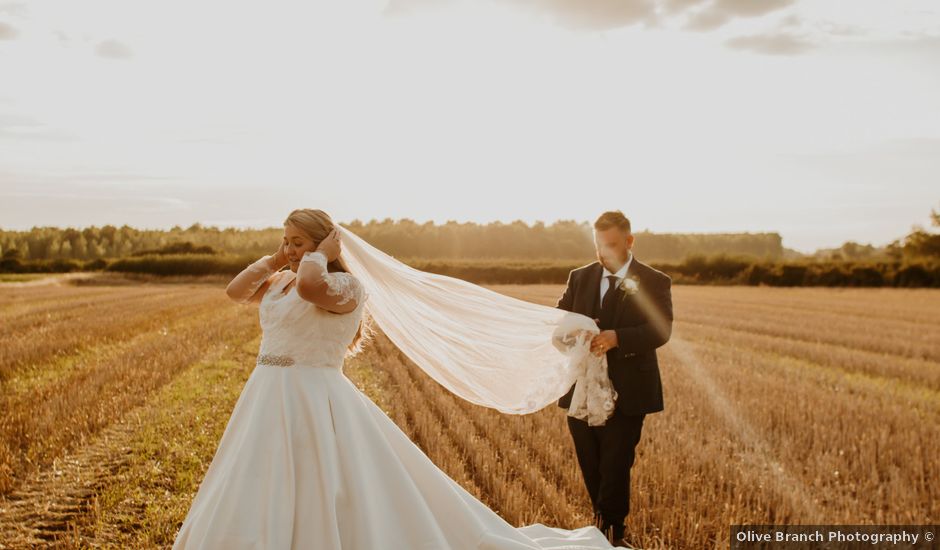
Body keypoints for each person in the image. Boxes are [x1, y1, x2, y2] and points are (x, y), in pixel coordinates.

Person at [172, 208, 629, 549]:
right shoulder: (283, 282)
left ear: (325, 246)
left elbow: (314, 287)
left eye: (298, 241)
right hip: (266, 395)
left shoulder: (345, 289)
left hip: (314, 396)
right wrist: (276, 260)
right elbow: (236, 292)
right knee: (256, 477)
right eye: (286, 240)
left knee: (319, 481)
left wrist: (319, 257)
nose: (291, 249)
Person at [555, 210, 673, 547]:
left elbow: (661, 329)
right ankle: (602, 529)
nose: (603, 252)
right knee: (591, 466)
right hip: (581, 390)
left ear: (629, 241)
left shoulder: (654, 280)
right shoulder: (579, 277)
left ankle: (613, 535)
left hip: (628, 391)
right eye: (598, 245)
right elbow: (560, 320)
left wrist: (618, 337)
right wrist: (573, 333)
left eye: (610, 245)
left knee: (616, 466)